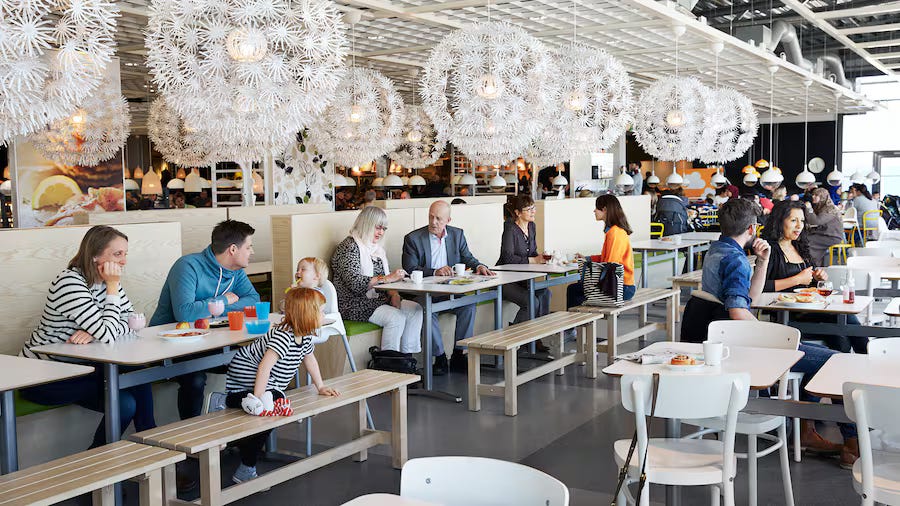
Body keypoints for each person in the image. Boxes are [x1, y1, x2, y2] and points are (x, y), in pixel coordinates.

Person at [680, 199, 858, 467]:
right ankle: (851, 441)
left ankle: (807, 431)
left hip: (718, 341)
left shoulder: (716, 250)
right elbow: (738, 313)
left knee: (824, 355)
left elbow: (747, 298)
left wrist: (762, 262)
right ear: (753, 229)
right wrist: (771, 334)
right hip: (737, 345)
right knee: (836, 359)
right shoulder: (736, 260)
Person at [21, 226, 156, 449]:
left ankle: (151, 443)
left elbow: (133, 322)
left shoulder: (107, 281)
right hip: (44, 376)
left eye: (125, 254)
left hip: (83, 368)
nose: (123, 261)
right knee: (124, 403)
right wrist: (103, 327)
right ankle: (109, 462)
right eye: (117, 254)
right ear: (94, 255)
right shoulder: (70, 282)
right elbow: (108, 332)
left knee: (137, 372)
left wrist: (96, 333)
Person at [224, 287, 338, 483]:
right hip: (246, 378)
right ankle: (231, 403)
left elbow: (309, 359)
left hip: (269, 385)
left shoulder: (306, 334)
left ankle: (246, 457)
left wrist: (320, 386)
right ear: (306, 314)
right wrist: (259, 399)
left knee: (274, 407)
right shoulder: (283, 335)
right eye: (320, 310)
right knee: (269, 411)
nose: (323, 315)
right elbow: (264, 368)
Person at [150, 220, 261, 421]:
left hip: (210, 342)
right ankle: (192, 440)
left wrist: (215, 308)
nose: (251, 252)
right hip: (171, 345)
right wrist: (223, 300)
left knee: (252, 362)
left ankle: (244, 433)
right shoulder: (188, 266)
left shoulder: (235, 271)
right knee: (195, 378)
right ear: (233, 249)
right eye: (249, 246)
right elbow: (185, 314)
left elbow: (253, 300)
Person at [762, 200, 866, 354]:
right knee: (843, 334)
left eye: (802, 221)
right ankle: (867, 360)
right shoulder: (769, 249)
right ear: (779, 221)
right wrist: (798, 279)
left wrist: (818, 277)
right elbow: (761, 286)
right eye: (793, 220)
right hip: (787, 317)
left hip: (811, 311)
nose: (799, 226)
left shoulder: (799, 245)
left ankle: (862, 362)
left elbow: (809, 276)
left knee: (843, 333)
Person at [402, 201, 493, 373]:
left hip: (451, 289)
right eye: (430, 216)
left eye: (438, 218)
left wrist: (479, 266)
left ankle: (460, 354)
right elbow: (410, 268)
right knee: (427, 309)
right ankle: (440, 357)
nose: (433, 222)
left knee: (469, 304)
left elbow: (468, 258)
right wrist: (435, 271)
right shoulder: (413, 238)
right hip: (426, 291)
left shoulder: (457, 235)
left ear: (448, 220)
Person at [333, 206, 423, 354]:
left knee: (416, 309)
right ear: (366, 224)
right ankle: (389, 364)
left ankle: (406, 358)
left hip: (377, 300)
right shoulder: (348, 247)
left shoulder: (377, 250)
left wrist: (394, 294)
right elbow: (356, 284)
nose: (381, 233)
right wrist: (388, 278)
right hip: (353, 303)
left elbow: (388, 282)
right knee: (396, 317)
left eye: (384, 229)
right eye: (378, 228)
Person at [497, 196, 552, 347]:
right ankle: (514, 338)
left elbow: (533, 252)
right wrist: (533, 260)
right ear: (518, 213)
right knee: (531, 301)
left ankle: (536, 336)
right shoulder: (510, 229)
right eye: (528, 209)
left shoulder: (531, 227)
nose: (533, 211)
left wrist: (542, 258)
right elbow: (507, 257)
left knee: (546, 294)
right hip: (506, 279)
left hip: (523, 277)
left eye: (533, 208)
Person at [568, 195, 637, 305]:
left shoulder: (615, 233)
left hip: (620, 287)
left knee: (574, 290)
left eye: (596, 208)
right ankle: (584, 320)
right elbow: (606, 258)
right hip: (622, 285)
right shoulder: (615, 231)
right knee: (578, 287)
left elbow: (610, 264)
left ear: (604, 210)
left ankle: (581, 321)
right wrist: (586, 258)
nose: (594, 211)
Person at [804, 187, 845, 266]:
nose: (813, 197)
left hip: (832, 236)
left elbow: (816, 221)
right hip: (824, 234)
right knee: (804, 238)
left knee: (807, 241)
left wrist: (809, 209)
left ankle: (812, 264)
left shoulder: (829, 209)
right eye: (813, 195)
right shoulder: (821, 207)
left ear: (822, 197)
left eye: (816, 195)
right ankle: (813, 263)